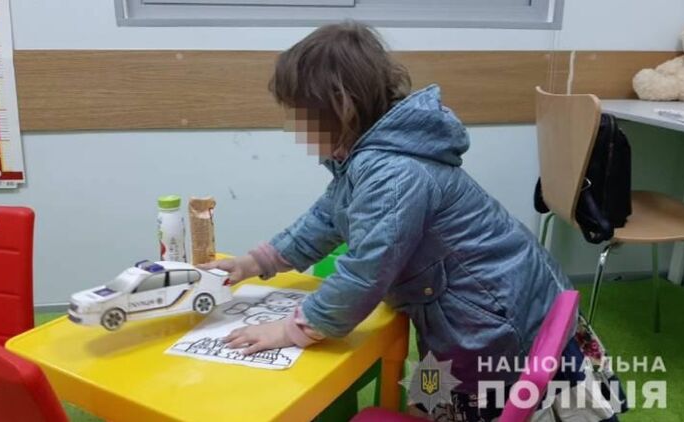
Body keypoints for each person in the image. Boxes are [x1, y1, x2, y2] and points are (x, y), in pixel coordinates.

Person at [204, 21, 625, 421]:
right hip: (475, 307)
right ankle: (426, 406)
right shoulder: (366, 158)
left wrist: (292, 328)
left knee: (458, 393)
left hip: (491, 319)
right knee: (430, 388)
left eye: (299, 115)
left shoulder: (392, 172)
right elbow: (325, 218)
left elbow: (365, 272)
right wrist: (256, 263)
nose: (293, 129)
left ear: (340, 109)